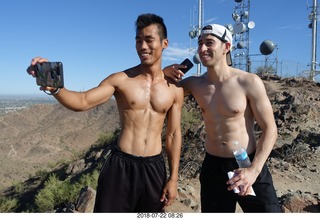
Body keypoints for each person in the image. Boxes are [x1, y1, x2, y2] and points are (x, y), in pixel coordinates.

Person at [26, 13, 184, 213]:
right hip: (120, 167)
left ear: (165, 43)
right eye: (138, 41)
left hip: (154, 168)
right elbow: (82, 102)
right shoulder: (121, 80)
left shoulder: (175, 89)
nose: (143, 46)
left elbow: (173, 135)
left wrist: (173, 179)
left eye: (149, 40)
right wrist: (55, 88)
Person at [164, 24, 282, 212]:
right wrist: (164, 73)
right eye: (200, 43)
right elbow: (162, 91)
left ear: (226, 47)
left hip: (248, 163)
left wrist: (253, 171)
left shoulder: (248, 82)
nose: (202, 49)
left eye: (209, 43)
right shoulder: (194, 84)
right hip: (213, 167)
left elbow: (270, 129)